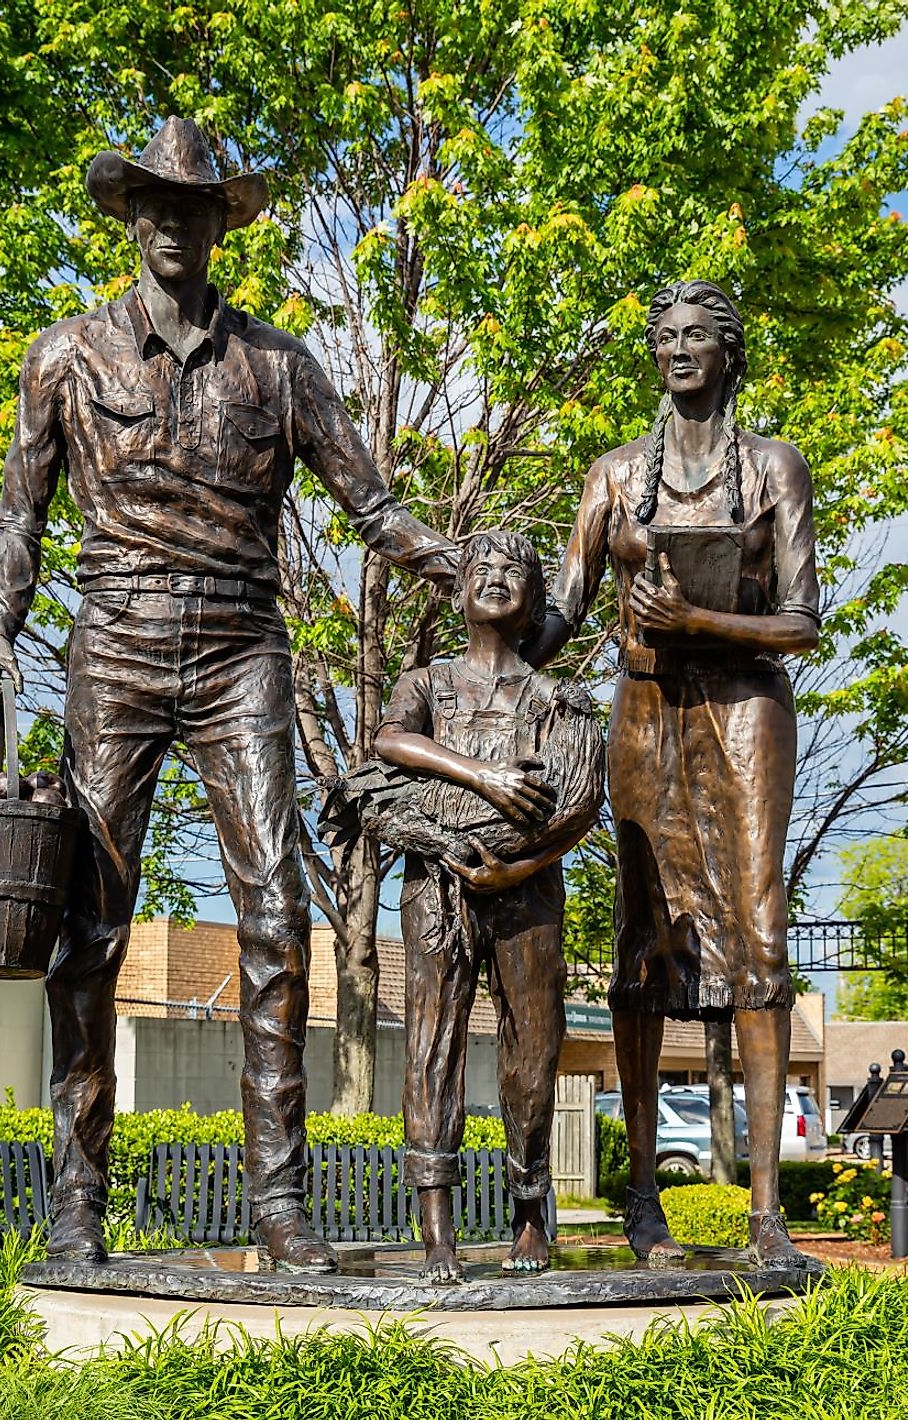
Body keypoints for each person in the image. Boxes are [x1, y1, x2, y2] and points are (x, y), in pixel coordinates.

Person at [0, 117, 459, 1271]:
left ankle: (280, 1207)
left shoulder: (279, 366)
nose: (172, 223)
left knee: (279, 918)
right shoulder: (65, 355)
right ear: (132, 219)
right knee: (90, 925)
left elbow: (371, 506)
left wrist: (459, 563)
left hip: (243, 648)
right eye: (153, 205)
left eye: (193, 207)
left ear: (217, 223)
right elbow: (17, 513)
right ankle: (76, 1204)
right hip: (117, 642)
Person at [526, 280, 820, 1265]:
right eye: (665, 337)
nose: (679, 349)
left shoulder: (772, 467)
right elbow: (562, 608)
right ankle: (642, 1198)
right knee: (642, 935)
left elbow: (803, 621)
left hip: (744, 707)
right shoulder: (613, 475)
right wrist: (484, 616)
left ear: (730, 353)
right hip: (644, 708)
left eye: (699, 335)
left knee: (759, 925)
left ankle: (766, 1213)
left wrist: (700, 620)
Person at [363, 531, 600, 1282]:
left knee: (535, 1044)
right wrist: (486, 777)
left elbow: (579, 805)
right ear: (459, 590)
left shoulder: (552, 695)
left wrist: (520, 866)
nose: (496, 579)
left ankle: (531, 1210)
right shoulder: (427, 683)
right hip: (437, 883)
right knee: (432, 1042)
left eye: (514, 572)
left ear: (534, 599)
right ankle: (437, 1228)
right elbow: (387, 741)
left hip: (525, 890)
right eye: (481, 569)